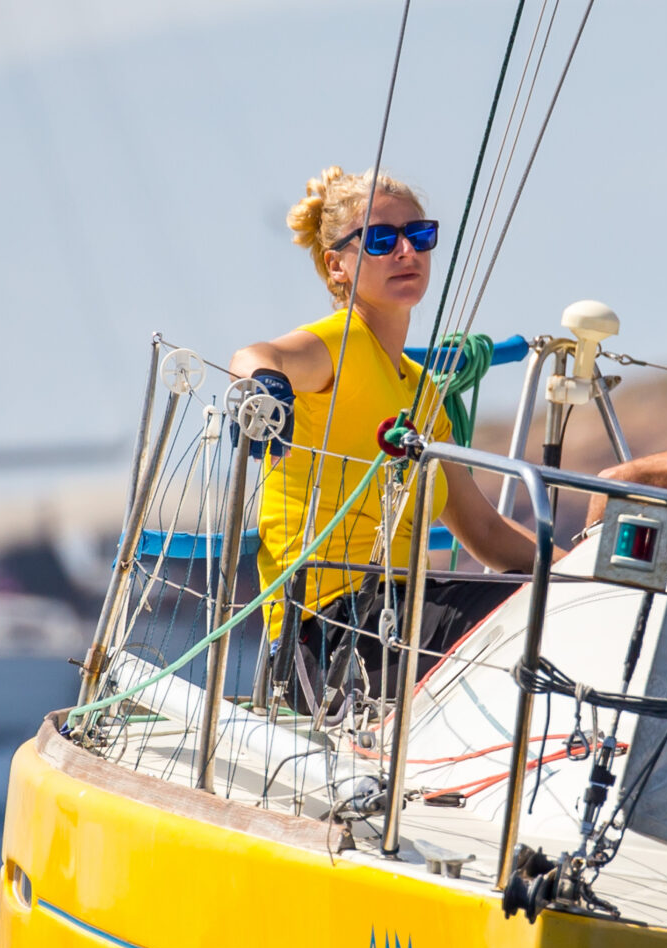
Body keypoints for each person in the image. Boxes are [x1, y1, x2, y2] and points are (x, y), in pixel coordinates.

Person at [231, 167, 539, 705]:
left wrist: (581, 572)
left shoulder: (423, 393)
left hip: (400, 614)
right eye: (381, 239)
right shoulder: (338, 344)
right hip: (326, 639)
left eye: (418, 236)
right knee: (527, 629)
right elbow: (257, 357)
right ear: (337, 265)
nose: (406, 252)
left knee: (549, 610)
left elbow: (485, 530)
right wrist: (265, 389)